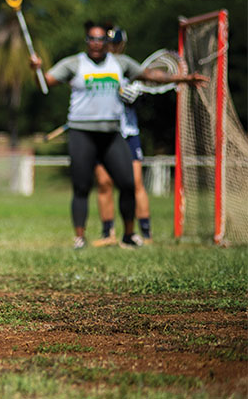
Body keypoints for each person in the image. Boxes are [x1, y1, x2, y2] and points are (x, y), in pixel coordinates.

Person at [30, 21, 205, 249]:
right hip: (82, 132)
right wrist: (36, 70)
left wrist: (183, 79)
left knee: (128, 183)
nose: (95, 43)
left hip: (112, 133)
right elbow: (45, 84)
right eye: (91, 39)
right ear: (87, 42)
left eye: (100, 39)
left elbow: (150, 75)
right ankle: (80, 237)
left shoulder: (119, 63)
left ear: (107, 42)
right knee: (82, 186)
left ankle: (129, 234)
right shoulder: (74, 64)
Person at [92, 26, 152, 245]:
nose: (112, 48)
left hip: (127, 134)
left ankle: (145, 232)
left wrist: (134, 97)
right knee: (104, 182)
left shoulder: (128, 68)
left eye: (115, 44)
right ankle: (108, 233)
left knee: (135, 183)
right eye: (109, 44)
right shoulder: (95, 68)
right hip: (102, 132)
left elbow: (143, 100)